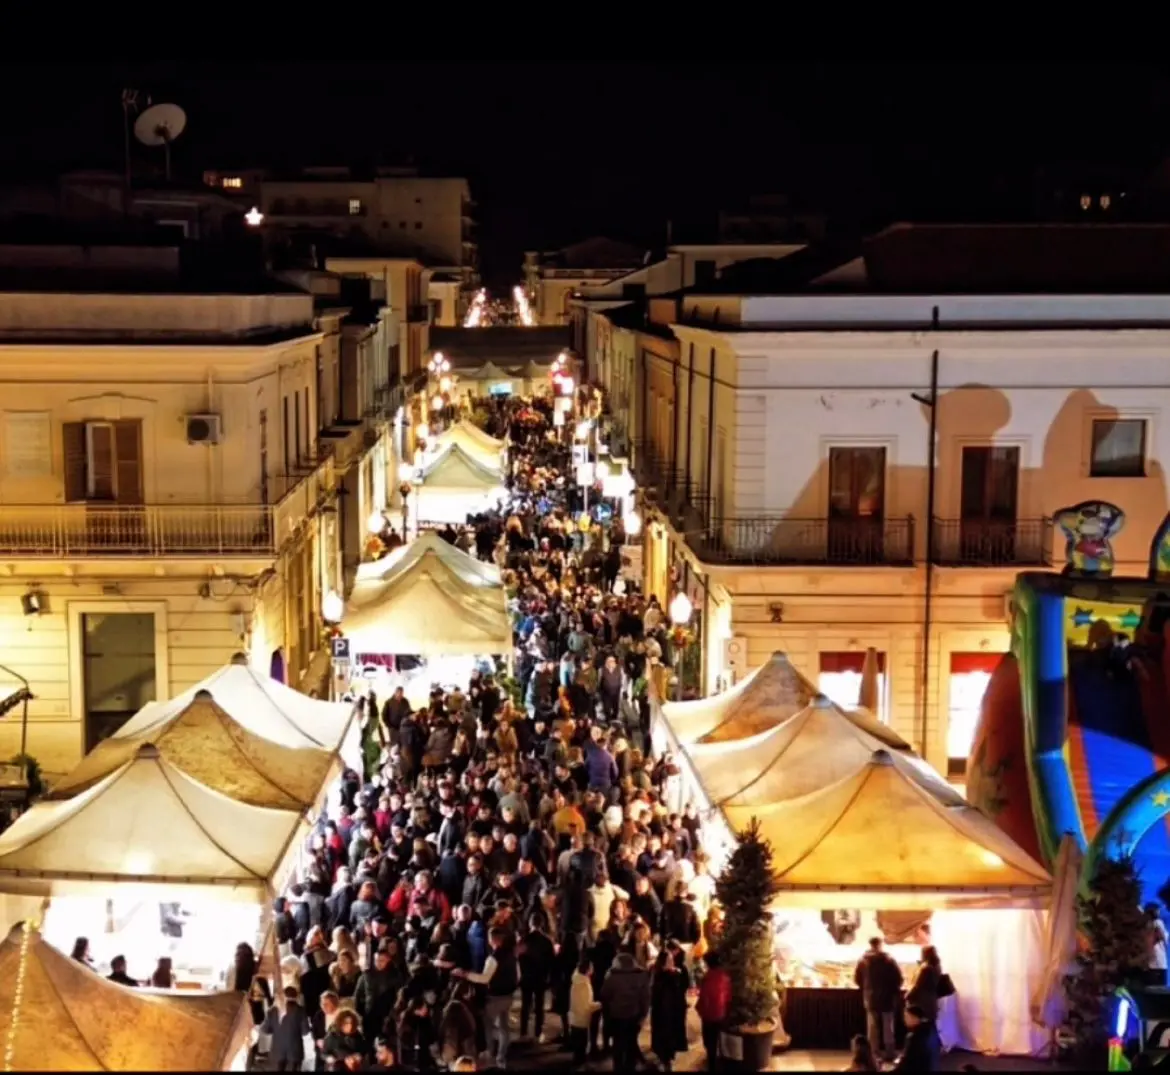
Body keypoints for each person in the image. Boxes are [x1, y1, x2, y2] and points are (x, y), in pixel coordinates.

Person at [454, 925, 518, 1069]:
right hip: (508, 996)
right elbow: (518, 975)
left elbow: (484, 978)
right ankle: (501, 1058)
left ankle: (490, 1053)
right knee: (504, 1027)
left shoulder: (493, 959)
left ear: (493, 940)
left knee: (487, 1025)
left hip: (495, 997)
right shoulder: (511, 955)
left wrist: (465, 974)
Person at [599, 949, 651, 1072]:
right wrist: (643, 1014)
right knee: (631, 1044)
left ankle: (618, 1067)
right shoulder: (641, 976)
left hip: (617, 1016)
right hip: (634, 1015)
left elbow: (604, 995)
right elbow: (646, 997)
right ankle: (629, 1067)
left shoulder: (611, 976)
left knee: (618, 1045)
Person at [855, 937, 903, 1062]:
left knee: (872, 1028)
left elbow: (857, 979)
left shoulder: (863, 961)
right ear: (880, 945)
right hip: (887, 998)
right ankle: (890, 1053)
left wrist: (866, 989)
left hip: (870, 998)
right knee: (888, 1027)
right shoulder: (889, 960)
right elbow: (899, 979)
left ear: (870, 945)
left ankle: (873, 1053)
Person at [650, 947, 689, 1072]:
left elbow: (682, 988)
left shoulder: (675, 973)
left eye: (671, 959)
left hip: (672, 1011)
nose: (672, 962)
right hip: (663, 1013)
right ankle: (665, 1058)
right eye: (669, 960)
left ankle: (668, 1057)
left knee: (670, 1036)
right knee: (665, 1036)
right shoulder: (660, 976)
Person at [261, 985, 311, 1072]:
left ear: (284, 996)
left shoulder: (273, 1010)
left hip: (277, 1052)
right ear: (297, 996)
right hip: (295, 1052)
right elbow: (305, 1031)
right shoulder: (301, 1011)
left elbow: (265, 1029)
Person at [696, 949, 731, 1067]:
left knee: (709, 1042)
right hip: (721, 1013)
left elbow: (704, 997)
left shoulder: (707, 978)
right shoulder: (725, 976)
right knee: (718, 1039)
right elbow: (728, 995)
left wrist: (700, 1009)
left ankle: (712, 1064)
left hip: (709, 1015)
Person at [568, 955, 599, 1067]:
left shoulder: (577, 981)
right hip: (582, 1019)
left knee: (578, 1047)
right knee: (581, 1046)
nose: (593, 969)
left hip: (575, 1018)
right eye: (591, 967)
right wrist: (600, 1004)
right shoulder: (584, 984)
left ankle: (578, 1063)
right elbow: (587, 1005)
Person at [895, 1003, 941, 1071]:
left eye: (906, 1016)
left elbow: (908, 1062)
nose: (904, 1020)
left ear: (915, 1018)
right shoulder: (931, 1031)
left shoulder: (915, 1037)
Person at [906, 945, 944, 1022]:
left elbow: (917, 986)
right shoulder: (937, 966)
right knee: (931, 1025)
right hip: (932, 1000)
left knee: (921, 1027)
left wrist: (907, 995)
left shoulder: (925, 969)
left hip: (922, 1003)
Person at [1148, 903, 1168, 986]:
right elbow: (1162, 936)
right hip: (1157, 962)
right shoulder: (1157, 922)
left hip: (1159, 962)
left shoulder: (1154, 923)